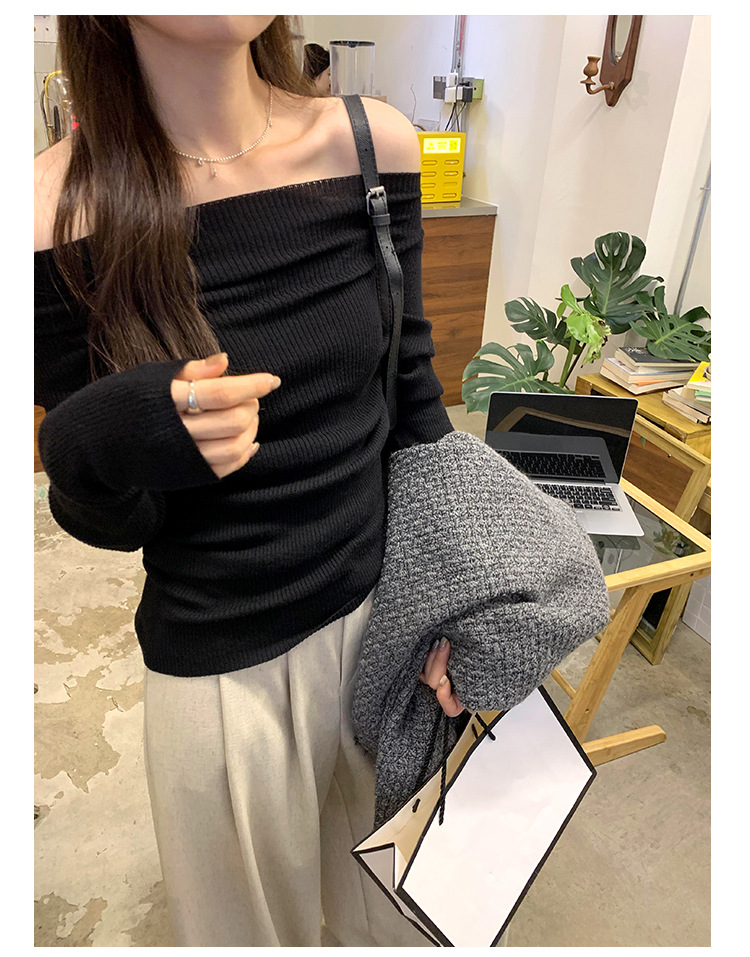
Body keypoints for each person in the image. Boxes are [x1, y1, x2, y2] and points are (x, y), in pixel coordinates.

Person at [34, 15, 465, 948]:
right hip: (223, 673)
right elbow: (104, 511)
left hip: (390, 628)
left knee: (406, 922)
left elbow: (414, 399)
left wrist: (449, 595)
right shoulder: (52, 215)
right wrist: (107, 431)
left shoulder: (372, 145)